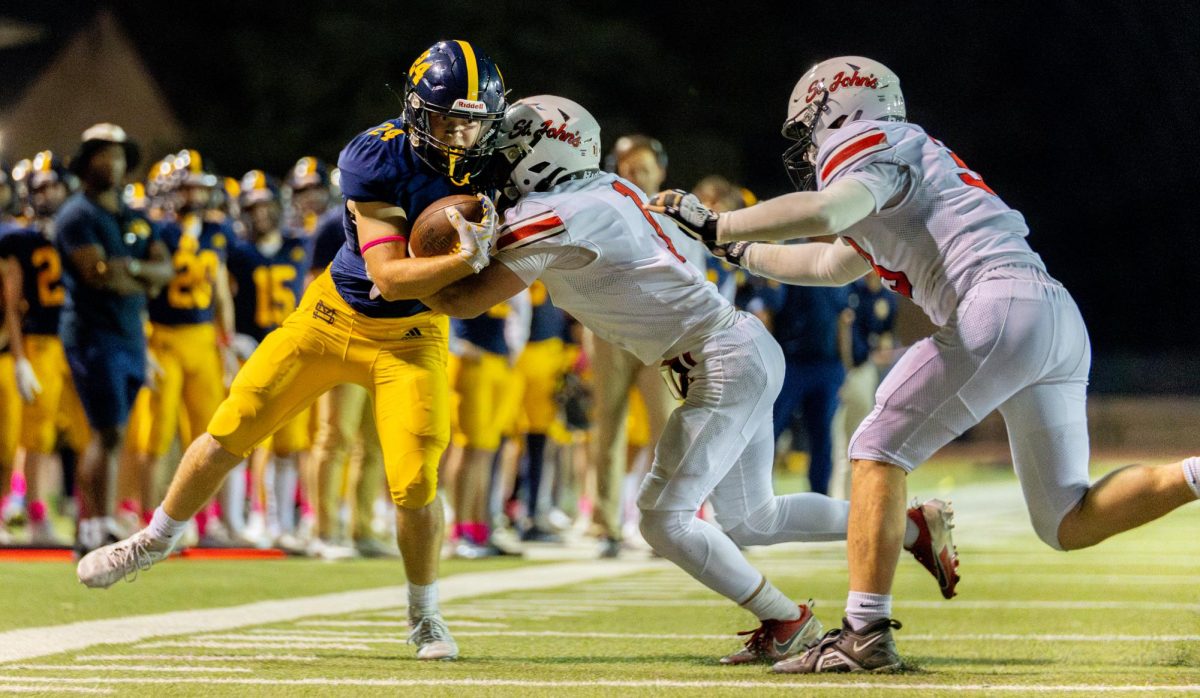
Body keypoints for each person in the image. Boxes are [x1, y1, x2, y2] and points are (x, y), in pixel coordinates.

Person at [648, 55, 1200, 673]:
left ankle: (863, 633)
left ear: (835, 108)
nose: (806, 144)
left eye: (807, 126)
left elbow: (827, 212)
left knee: (877, 447)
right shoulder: (906, 158)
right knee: (1066, 521)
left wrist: (718, 220)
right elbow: (832, 264)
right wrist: (738, 248)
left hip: (995, 301)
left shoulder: (874, 143)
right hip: (1051, 314)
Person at [426, 94, 955, 666]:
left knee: (661, 518)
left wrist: (403, 275)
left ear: (543, 153)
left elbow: (466, 303)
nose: (496, 161)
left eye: (508, 150)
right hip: (735, 348)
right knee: (754, 519)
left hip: (719, 358)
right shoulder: (610, 190)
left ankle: (786, 619)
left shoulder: (560, 213)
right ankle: (906, 527)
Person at [76, 40, 506, 663]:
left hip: (413, 336)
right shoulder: (374, 157)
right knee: (234, 424)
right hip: (333, 316)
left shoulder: (503, 162)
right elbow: (387, 276)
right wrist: (466, 257)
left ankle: (424, 615)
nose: (462, 136)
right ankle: (153, 539)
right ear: (416, 111)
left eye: (474, 122)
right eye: (448, 120)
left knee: (415, 480)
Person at [56, 124, 175, 555]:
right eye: (103, 155)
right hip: (93, 333)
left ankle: (93, 526)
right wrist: (138, 274)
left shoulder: (131, 216)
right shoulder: (76, 214)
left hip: (128, 334)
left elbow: (163, 272)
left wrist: (134, 272)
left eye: (119, 155)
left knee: (113, 433)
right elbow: (98, 276)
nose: (113, 163)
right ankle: (95, 527)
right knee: (105, 431)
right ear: (86, 163)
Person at [0, 151, 87, 545]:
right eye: (39, 187)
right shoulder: (19, 238)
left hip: (77, 338)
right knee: (36, 438)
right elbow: (12, 304)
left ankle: (89, 514)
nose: (46, 193)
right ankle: (36, 513)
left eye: (52, 184)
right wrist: (20, 358)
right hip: (40, 342)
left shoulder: (78, 230)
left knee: (86, 434)